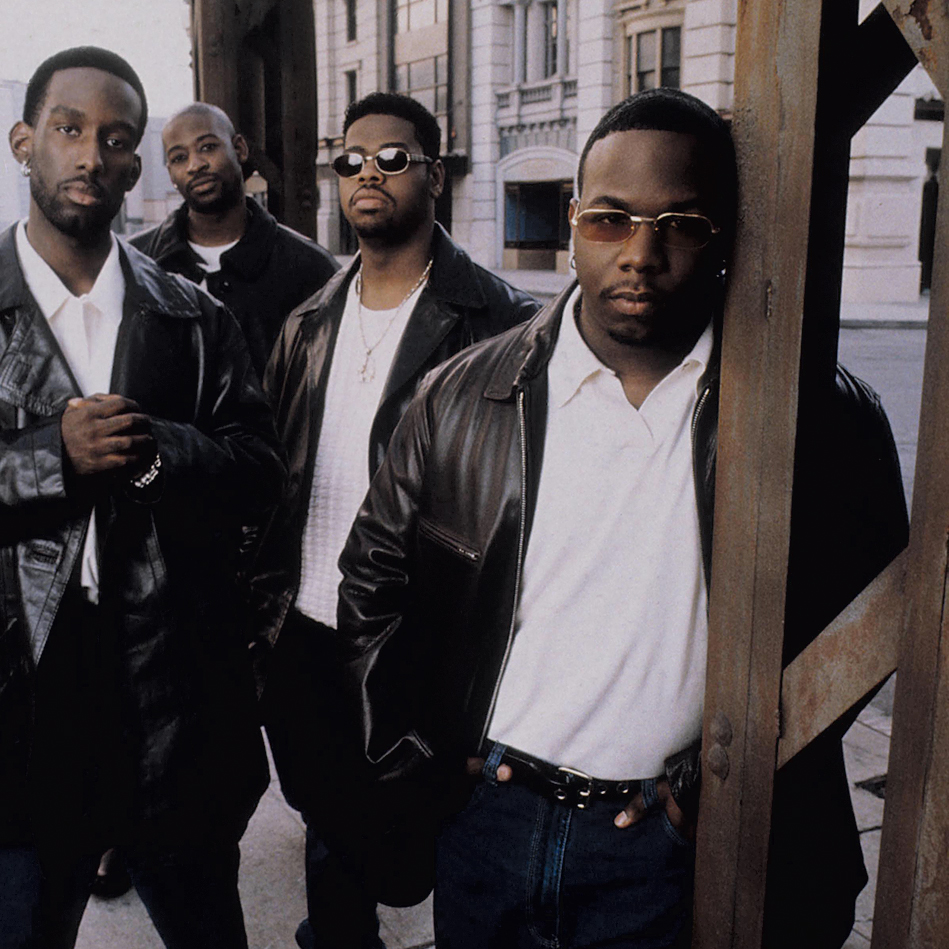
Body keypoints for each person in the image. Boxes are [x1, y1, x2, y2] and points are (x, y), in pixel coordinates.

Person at [335, 88, 909, 949]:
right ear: (571, 222)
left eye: (679, 222)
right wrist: (414, 756)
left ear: (720, 235)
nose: (640, 253)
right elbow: (370, 584)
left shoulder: (820, 417)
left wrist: (741, 773)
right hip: (490, 821)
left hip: (673, 843)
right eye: (609, 219)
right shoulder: (460, 396)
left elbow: (880, 612)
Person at [0, 47, 284, 948]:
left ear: (138, 163)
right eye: (69, 129)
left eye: (116, 138)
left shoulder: (192, 316)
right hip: (21, 694)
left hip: (173, 686)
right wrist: (51, 458)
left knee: (205, 924)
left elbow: (259, 472)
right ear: (23, 142)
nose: (91, 155)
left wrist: (159, 458)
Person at [250, 91, 537, 949]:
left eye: (391, 158)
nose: (365, 174)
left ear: (435, 175)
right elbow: (274, 479)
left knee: (432, 828)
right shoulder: (306, 322)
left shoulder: (495, 320)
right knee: (324, 811)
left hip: (418, 635)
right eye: (348, 161)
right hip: (303, 624)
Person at [131, 102, 339, 378]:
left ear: (239, 149)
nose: (195, 165)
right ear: (170, 173)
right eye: (180, 158)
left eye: (207, 147)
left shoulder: (310, 268)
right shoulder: (136, 261)